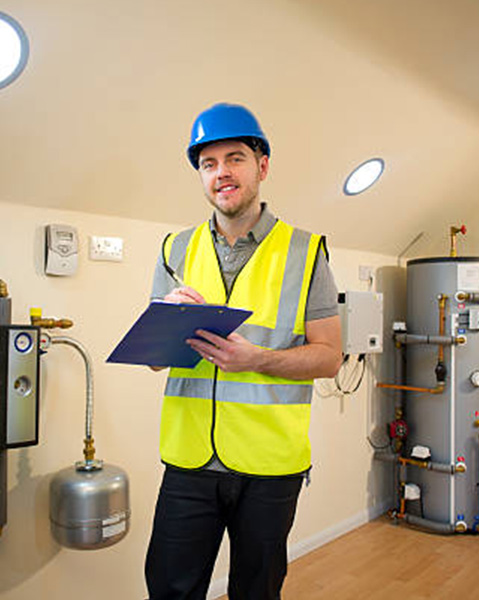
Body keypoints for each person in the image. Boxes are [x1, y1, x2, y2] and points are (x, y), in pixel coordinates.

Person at [144, 102, 342, 600]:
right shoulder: (175, 249)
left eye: (234, 159)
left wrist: (259, 359)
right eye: (208, 164)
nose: (222, 174)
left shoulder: (305, 250)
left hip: (269, 466)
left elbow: (329, 357)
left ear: (262, 166)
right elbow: (152, 357)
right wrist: (165, 319)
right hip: (188, 461)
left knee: (257, 591)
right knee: (169, 588)